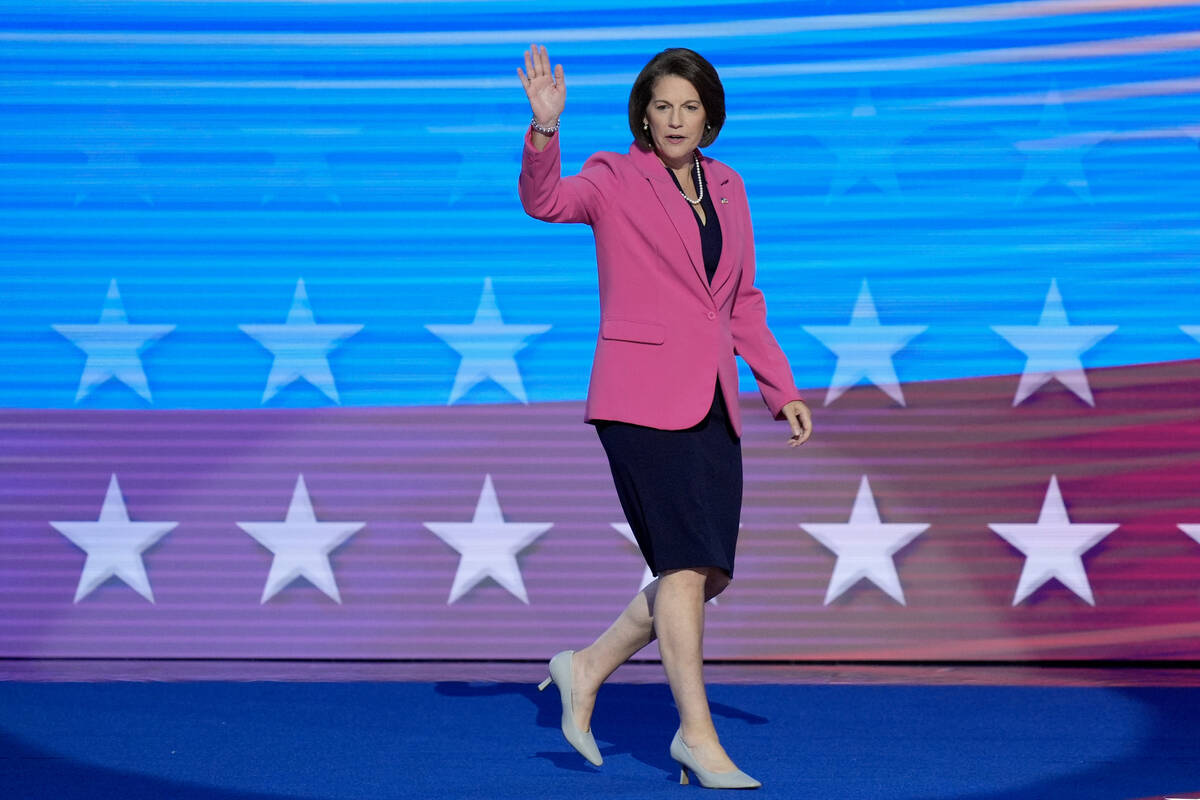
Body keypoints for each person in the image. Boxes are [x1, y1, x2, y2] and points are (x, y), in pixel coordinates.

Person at [518, 43, 812, 790]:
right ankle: (695, 736)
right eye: (662, 107)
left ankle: (584, 667)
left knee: (705, 573)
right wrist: (546, 133)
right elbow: (547, 201)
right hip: (639, 398)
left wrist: (781, 388)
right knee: (681, 567)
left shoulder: (731, 186)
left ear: (709, 116)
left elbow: (742, 301)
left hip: (714, 398)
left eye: (689, 107)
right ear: (642, 118)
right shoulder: (615, 178)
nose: (676, 119)